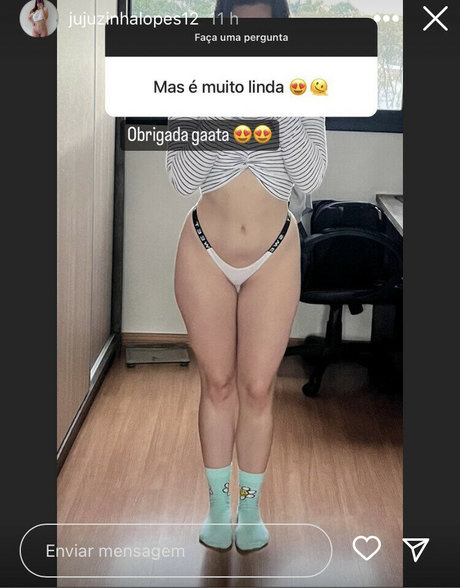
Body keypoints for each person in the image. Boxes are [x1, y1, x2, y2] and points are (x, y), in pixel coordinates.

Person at [166, 0, 327, 552]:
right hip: (204, 251)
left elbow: (309, 175)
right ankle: (218, 505)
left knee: (258, 388)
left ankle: (250, 508)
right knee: (217, 383)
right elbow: (180, 175)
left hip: (274, 255)